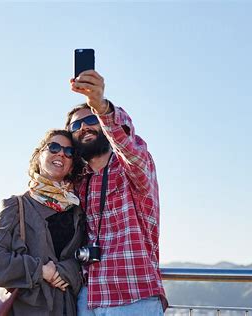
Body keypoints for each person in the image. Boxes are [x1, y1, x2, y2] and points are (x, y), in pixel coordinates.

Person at [66, 70, 168, 315]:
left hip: (133, 297)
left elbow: (126, 142)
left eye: (91, 120)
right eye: (76, 125)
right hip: (87, 298)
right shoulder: (80, 182)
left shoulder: (133, 168)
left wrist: (100, 105)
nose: (84, 127)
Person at [0, 129, 86, 315]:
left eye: (68, 152)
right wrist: (40, 271)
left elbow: (83, 260)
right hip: (27, 309)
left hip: (67, 309)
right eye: (53, 147)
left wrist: (65, 271)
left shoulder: (77, 210)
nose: (61, 153)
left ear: (72, 165)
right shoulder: (16, 206)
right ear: (39, 156)